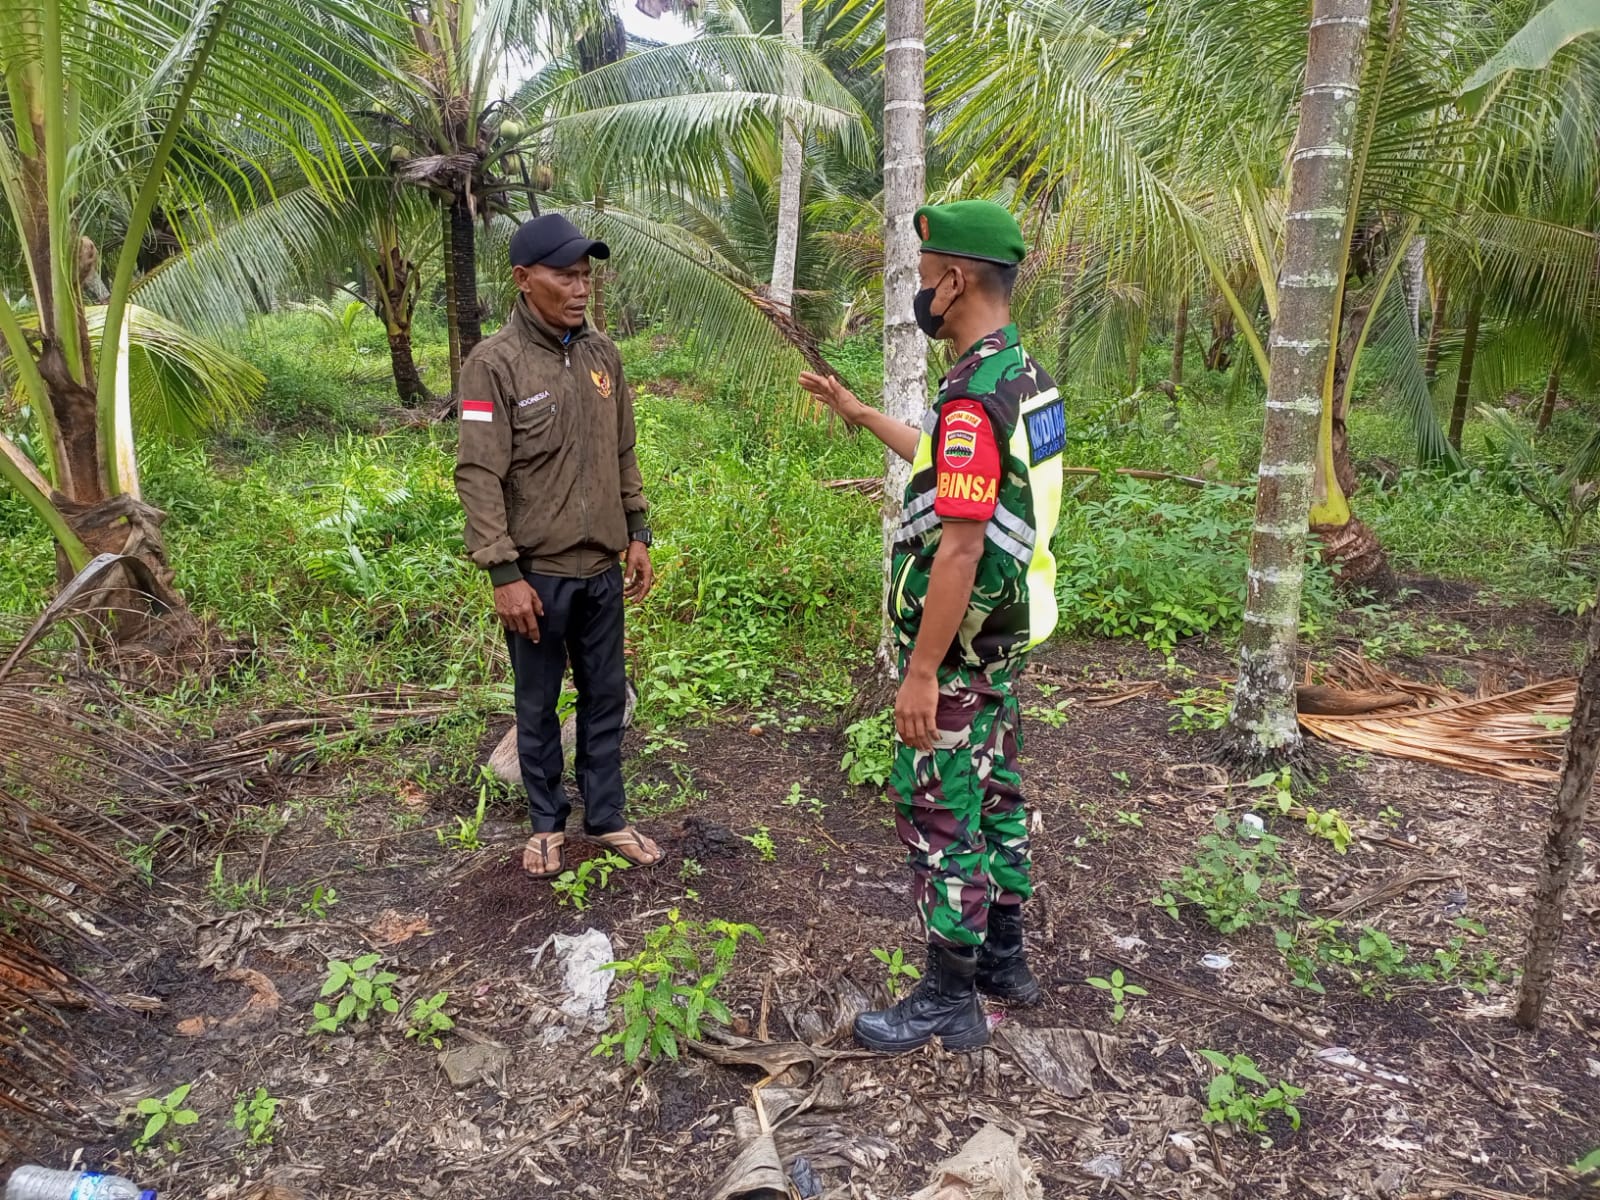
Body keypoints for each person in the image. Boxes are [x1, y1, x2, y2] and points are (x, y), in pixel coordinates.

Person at [799, 200, 1064, 1053]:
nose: (921, 296)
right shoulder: (1023, 377)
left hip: (955, 651)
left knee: (942, 814)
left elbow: (958, 546)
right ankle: (1004, 962)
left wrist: (920, 671)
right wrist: (859, 412)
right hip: (1004, 636)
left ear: (953, 281)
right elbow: (957, 464)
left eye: (922, 280)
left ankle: (949, 997)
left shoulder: (973, 398)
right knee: (996, 798)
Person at [455, 213, 665, 880]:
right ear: (523, 279)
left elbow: (623, 449)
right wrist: (503, 572)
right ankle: (546, 822)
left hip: (602, 567)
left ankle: (604, 816)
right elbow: (479, 473)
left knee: (605, 696)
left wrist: (637, 532)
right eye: (564, 275)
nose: (579, 289)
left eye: (585, 276)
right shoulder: (494, 364)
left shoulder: (603, 355)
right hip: (537, 577)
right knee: (537, 704)